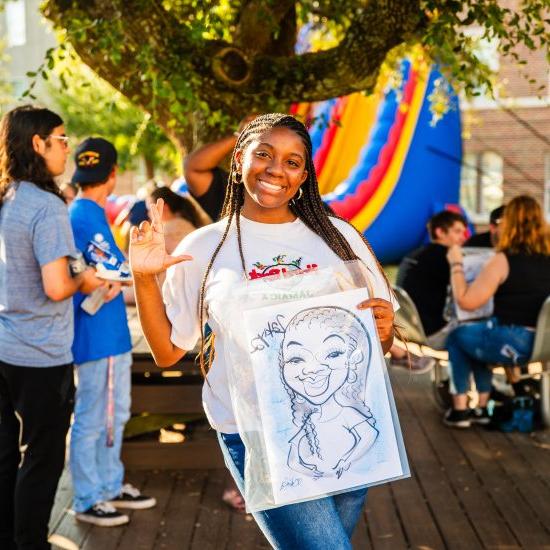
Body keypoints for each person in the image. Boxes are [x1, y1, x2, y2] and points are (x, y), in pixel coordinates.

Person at [129, 113, 396, 548]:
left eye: (293, 162)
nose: (277, 170)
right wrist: (143, 278)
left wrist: (381, 330)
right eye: (264, 155)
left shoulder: (339, 237)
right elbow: (167, 352)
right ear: (238, 161)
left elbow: (375, 343)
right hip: (256, 434)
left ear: (304, 176)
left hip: (348, 422)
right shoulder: (203, 247)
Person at [0, 106, 99, 550]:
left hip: (3, 344)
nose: (66, 146)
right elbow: (58, 286)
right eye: (61, 137)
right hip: (40, 353)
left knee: (5, 456)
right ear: (37, 144)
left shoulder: (7, 197)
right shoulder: (46, 204)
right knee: (41, 457)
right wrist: (87, 280)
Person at [69, 138, 156, 527]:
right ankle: (89, 496)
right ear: (114, 173)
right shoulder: (84, 214)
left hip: (106, 332)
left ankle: (107, 484)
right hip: (96, 335)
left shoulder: (87, 211)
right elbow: (117, 270)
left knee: (113, 412)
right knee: (95, 415)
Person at [444, 195, 550, 428]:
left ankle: (461, 410)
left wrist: (456, 264)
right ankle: (482, 407)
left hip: (515, 344)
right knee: (479, 334)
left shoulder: (503, 260)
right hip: (544, 345)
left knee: (458, 336)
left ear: (509, 224)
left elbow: (466, 302)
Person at [281, 308, 378, 480]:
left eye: (333, 353)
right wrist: (310, 472)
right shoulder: (311, 420)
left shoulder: (346, 413)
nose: (311, 369)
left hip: (350, 477)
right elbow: (292, 460)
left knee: (351, 504)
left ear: (353, 360)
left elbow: (370, 435)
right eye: (296, 359)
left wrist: (346, 461)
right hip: (313, 484)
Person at [148, 186, 210, 255]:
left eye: (150, 208)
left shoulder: (166, 232)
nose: (148, 213)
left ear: (164, 207)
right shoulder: (185, 220)